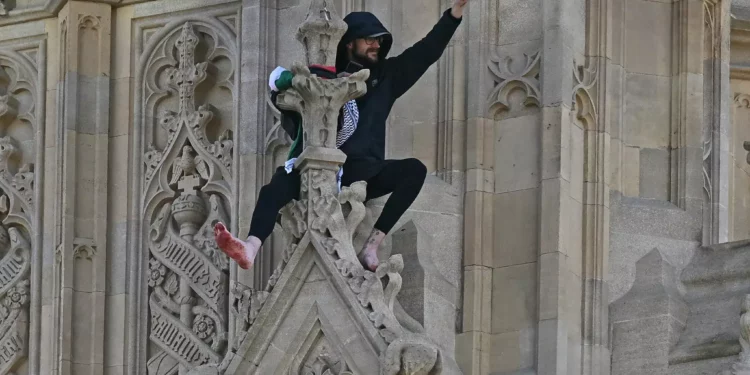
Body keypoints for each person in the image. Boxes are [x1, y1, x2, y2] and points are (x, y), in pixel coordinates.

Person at [214, 0, 468, 271]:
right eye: (370, 40)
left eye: (379, 41)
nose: (376, 46)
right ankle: (250, 248)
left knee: (414, 171)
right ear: (349, 42)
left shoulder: (384, 77)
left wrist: (454, 14)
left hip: (362, 171)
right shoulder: (322, 77)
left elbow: (425, 52)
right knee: (274, 189)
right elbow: (284, 97)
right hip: (316, 163)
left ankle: (372, 246)